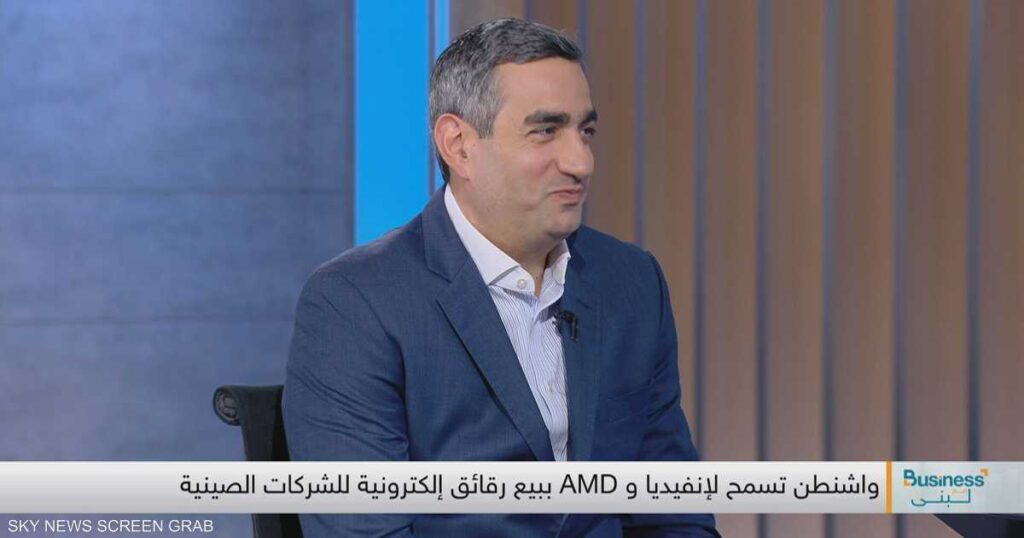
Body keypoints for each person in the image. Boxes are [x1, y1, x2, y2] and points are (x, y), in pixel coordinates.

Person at [283, 17, 719, 537]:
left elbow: (674, 513)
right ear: (459, 145)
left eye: (585, 131)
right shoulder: (356, 303)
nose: (581, 162)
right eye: (546, 131)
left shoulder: (631, 283)